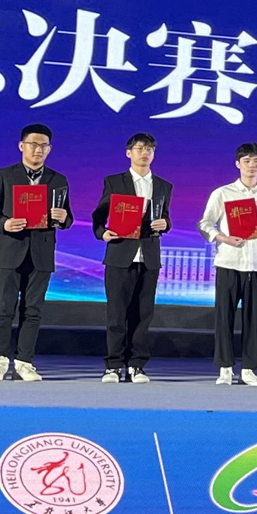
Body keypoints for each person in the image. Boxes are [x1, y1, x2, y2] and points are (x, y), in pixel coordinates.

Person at [0, 123, 73, 381]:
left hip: (41, 253)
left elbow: (68, 219)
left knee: (33, 310)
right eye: (33, 144)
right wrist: (5, 224)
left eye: (44, 146)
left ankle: (24, 362)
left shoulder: (58, 180)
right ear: (22, 146)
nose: (38, 150)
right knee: (3, 307)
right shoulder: (4, 175)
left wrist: (63, 218)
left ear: (49, 149)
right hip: (10, 250)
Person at [198, 141, 257, 386]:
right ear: (238, 164)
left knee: (253, 319)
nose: (251, 165)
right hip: (229, 261)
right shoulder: (223, 193)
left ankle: (248, 369)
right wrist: (224, 238)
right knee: (224, 317)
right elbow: (205, 224)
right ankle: (225, 368)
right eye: (246, 161)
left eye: (256, 161)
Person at [92, 132, 173, 384]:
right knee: (116, 314)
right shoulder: (115, 182)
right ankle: (114, 365)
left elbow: (165, 218)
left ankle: (136, 365)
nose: (145, 153)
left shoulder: (164, 186)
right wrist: (102, 233)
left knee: (143, 314)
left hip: (149, 256)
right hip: (119, 253)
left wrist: (166, 224)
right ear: (129, 153)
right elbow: (99, 216)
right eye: (140, 148)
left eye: (149, 149)